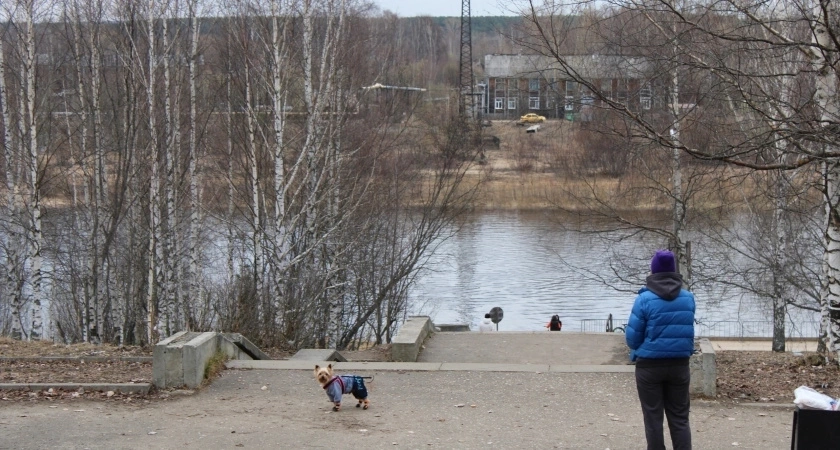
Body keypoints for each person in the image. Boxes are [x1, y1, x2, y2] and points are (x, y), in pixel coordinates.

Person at [625, 249, 695, 450]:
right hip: (679, 365)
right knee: (680, 417)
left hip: (649, 366)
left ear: (653, 270)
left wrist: (642, 348)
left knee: (653, 418)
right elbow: (688, 332)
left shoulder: (644, 299)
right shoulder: (688, 298)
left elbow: (632, 338)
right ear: (674, 270)